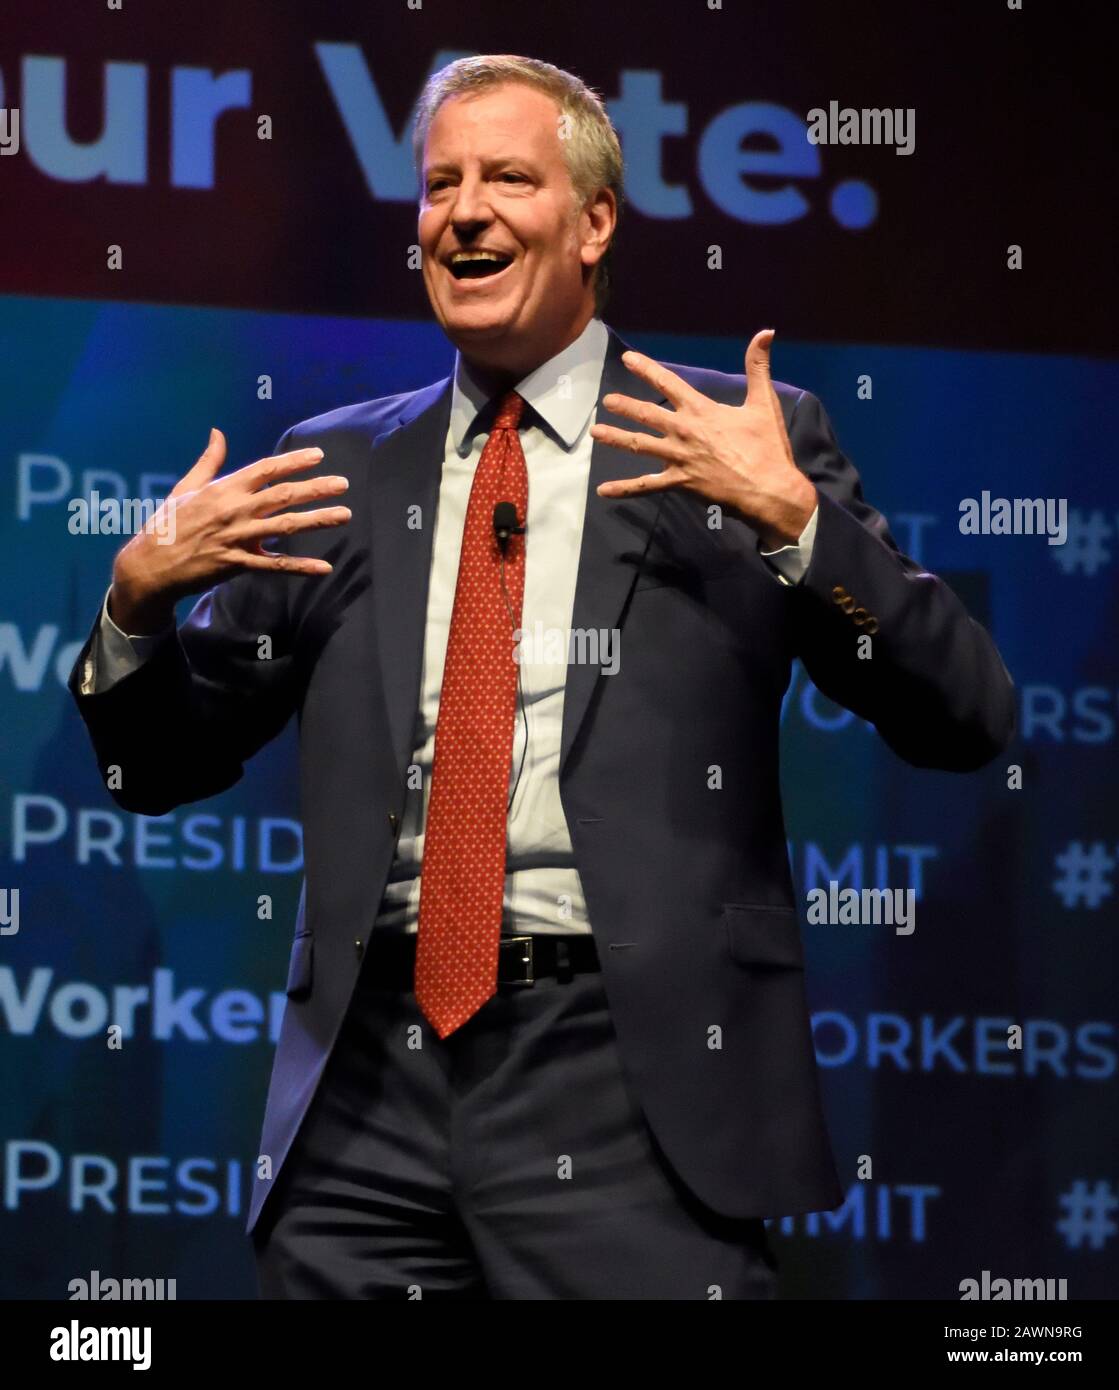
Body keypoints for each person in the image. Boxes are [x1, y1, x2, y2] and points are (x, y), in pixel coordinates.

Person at [69, 54, 1015, 1299]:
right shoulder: (337, 466)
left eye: (507, 179)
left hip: (630, 1088)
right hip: (365, 1100)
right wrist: (136, 603)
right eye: (438, 185)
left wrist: (797, 528)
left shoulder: (726, 439)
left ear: (595, 222)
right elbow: (162, 765)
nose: (462, 212)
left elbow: (966, 717)